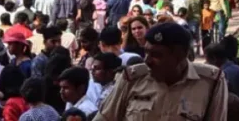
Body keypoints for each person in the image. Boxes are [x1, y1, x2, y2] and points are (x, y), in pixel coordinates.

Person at [93, 22, 227, 121]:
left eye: (156, 55)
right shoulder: (132, 78)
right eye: (146, 52)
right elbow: (104, 118)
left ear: (180, 55)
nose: (147, 61)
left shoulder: (211, 81)